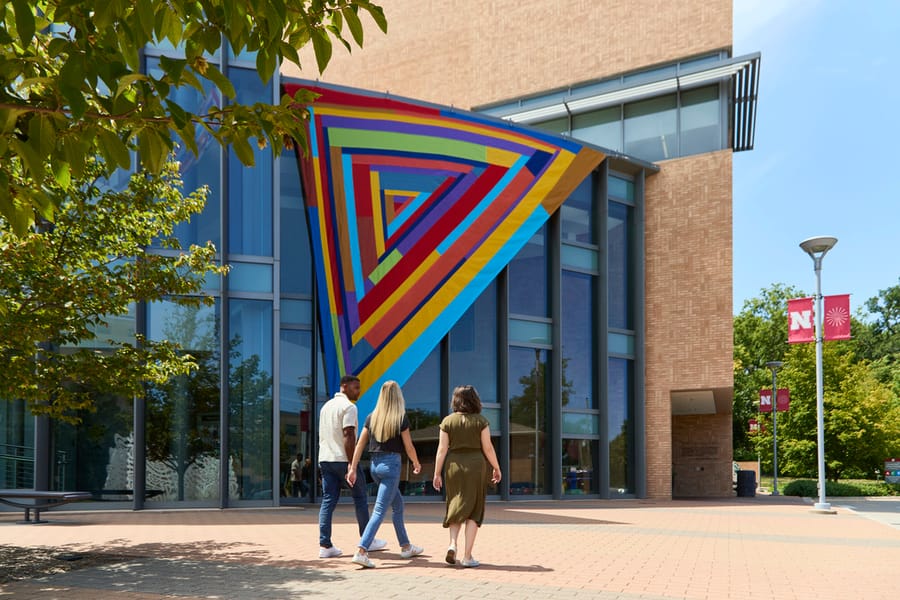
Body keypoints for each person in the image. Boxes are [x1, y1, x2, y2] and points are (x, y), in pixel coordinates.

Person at [346, 380, 424, 568]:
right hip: (391, 467)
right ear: (398, 397)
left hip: (375, 467)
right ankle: (362, 550)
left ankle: (406, 546)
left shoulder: (372, 417)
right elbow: (409, 446)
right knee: (380, 510)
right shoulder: (400, 419)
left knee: (398, 505)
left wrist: (352, 467)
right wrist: (416, 462)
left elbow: (359, 444)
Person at [432, 385, 501, 568]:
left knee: (455, 503)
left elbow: (441, 450)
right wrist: (496, 467)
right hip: (476, 465)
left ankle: (452, 544)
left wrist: (437, 473)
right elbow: (487, 448)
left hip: (453, 465)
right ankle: (467, 556)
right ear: (474, 400)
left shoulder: (447, 421)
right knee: (474, 509)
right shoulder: (481, 421)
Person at [317, 374, 386, 558]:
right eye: (356, 387)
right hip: (342, 459)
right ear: (344, 386)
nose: (359, 391)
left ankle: (325, 546)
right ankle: (367, 540)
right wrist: (351, 464)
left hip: (325, 459)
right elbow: (348, 434)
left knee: (328, 501)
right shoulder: (349, 407)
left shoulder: (325, 407)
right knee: (360, 498)